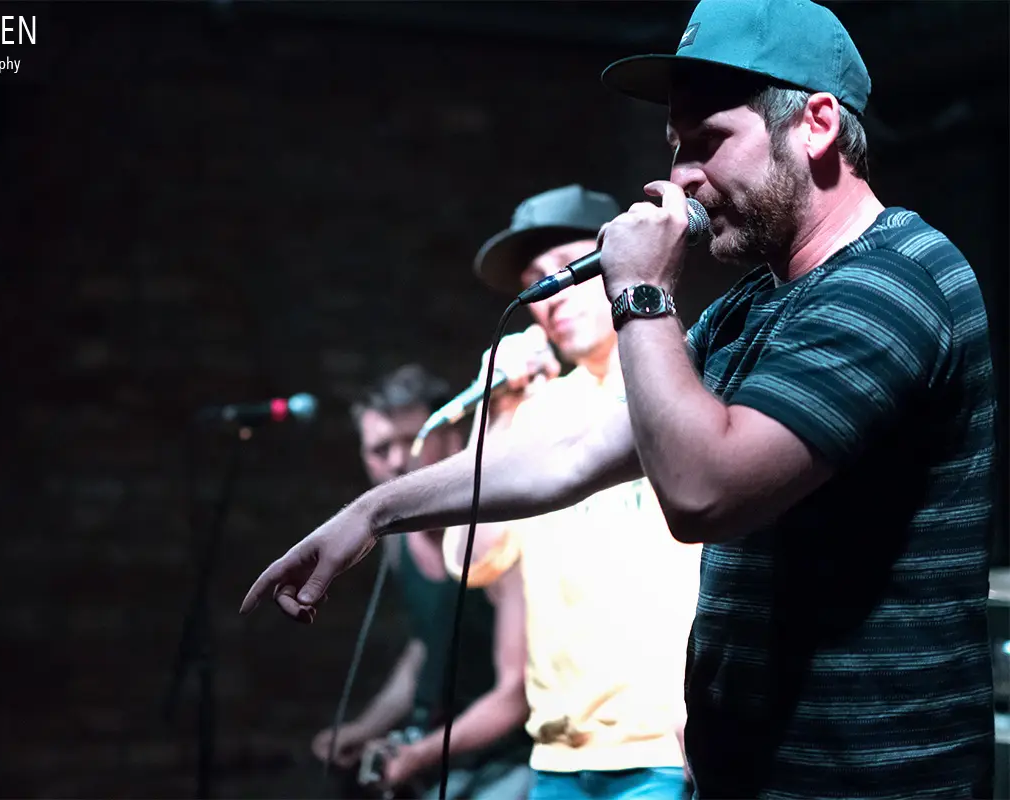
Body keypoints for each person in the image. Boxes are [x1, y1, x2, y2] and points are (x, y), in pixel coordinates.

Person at [245, 0, 997, 796]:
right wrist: (375, 512)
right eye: (676, 147)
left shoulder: (891, 284)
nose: (681, 177)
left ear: (816, 125)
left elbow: (704, 494)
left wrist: (641, 292)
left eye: (708, 142)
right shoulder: (750, 308)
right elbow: (575, 452)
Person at [438, 185, 701, 800]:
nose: (552, 293)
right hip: (557, 755)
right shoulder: (537, 412)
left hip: (664, 747)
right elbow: (469, 560)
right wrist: (498, 411)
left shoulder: (690, 374)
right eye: (534, 281)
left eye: (569, 267)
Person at [311, 364, 534, 799]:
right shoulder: (399, 544)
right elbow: (426, 649)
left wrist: (419, 755)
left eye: (412, 441)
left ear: (452, 439)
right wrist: (366, 727)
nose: (396, 462)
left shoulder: (494, 537)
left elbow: (516, 691)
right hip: (446, 763)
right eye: (379, 449)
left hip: (514, 762)